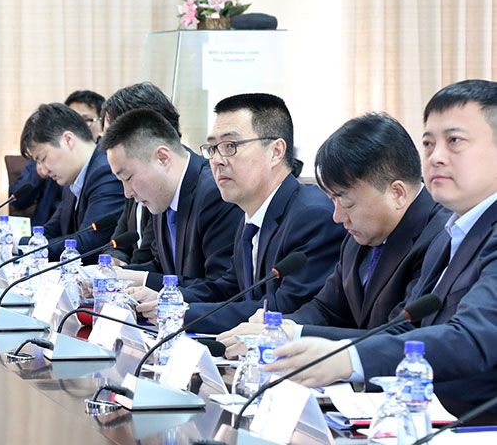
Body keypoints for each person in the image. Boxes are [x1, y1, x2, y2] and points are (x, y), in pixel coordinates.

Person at [265, 80, 497, 420]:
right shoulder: (455, 232)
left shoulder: (450, 231)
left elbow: (472, 338)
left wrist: (348, 358)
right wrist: (323, 347)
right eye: (429, 143)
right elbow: (409, 329)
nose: (436, 157)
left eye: (455, 141)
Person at [218, 113, 449, 355]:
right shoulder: (359, 236)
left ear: (397, 193)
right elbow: (325, 309)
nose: (337, 216)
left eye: (347, 203)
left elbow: (401, 335)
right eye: (332, 200)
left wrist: (294, 335)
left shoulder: (440, 238)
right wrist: (283, 326)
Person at [131, 93, 345, 332]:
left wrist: (182, 314)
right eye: (213, 148)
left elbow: (281, 308)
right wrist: (169, 300)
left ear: (275, 152)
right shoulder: (250, 217)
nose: (217, 160)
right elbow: (229, 289)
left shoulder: (312, 216)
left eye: (230, 146)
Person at [101, 108, 241, 290]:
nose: (127, 193)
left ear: (162, 158)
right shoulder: (162, 196)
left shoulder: (215, 194)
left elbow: (221, 288)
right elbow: (162, 268)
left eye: (127, 178)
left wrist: (142, 279)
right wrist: (113, 275)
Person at [19, 102, 124, 263]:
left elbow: (87, 244)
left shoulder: (106, 172)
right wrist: (13, 239)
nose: (44, 171)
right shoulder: (74, 177)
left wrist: (19, 244)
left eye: (43, 158)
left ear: (68, 140)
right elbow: (49, 231)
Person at [100, 82, 181, 266]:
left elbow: (151, 262)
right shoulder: (133, 178)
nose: (105, 146)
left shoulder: (166, 184)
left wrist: (122, 273)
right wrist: (114, 262)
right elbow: (118, 242)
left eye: (111, 137)